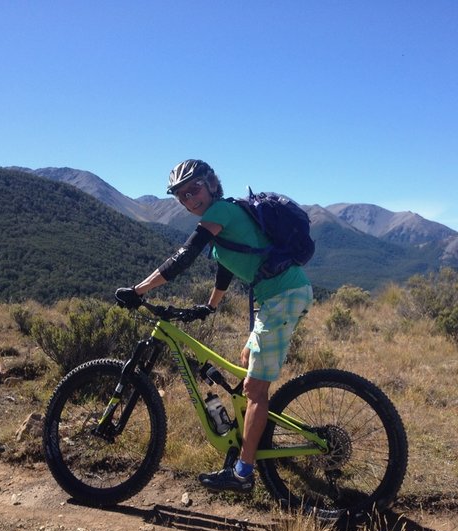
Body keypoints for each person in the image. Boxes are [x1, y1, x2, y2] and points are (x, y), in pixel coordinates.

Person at [115, 159, 313, 493]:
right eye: (181, 196)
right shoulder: (224, 221)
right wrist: (210, 305)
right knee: (246, 360)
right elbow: (226, 268)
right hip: (276, 296)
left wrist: (139, 291)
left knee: (255, 389)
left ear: (210, 183)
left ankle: (243, 473)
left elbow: (184, 255)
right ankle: (248, 442)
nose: (189, 200)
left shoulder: (220, 211)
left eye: (193, 190)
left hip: (283, 295)